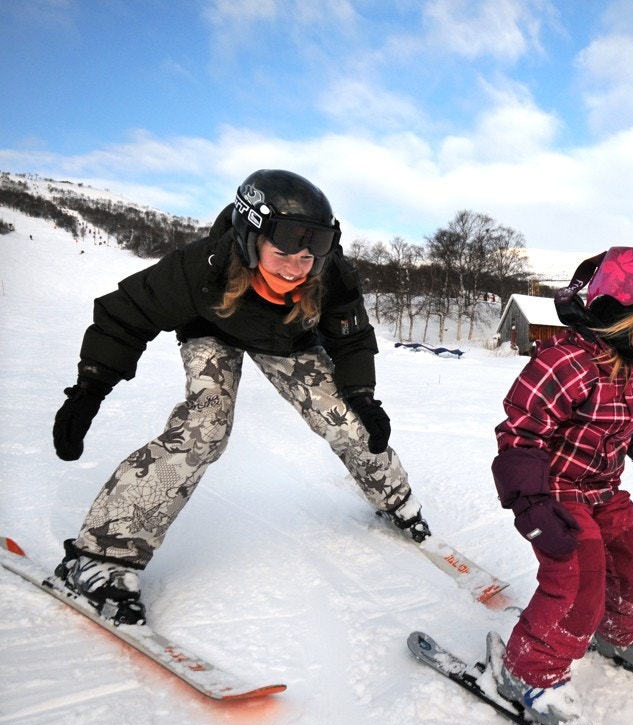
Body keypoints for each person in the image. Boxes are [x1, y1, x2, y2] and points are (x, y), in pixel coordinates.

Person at [51, 169, 430, 625]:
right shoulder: (201, 267)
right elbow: (125, 314)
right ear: (251, 240)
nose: (296, 268)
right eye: (283, 253)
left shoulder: (332, 277)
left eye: (309, 256)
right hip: (215, 332)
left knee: (350, 421)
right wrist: (90, 388)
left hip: (291, 340)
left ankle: (396, 500)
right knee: (203, 429)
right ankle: (100, 558)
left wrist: (363, 395)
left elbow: (350, 341)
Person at [487, 246, 633, 725]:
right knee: (578, 584)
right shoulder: (565, 363)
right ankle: (527, 671)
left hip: (603, 489)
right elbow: (520, 435)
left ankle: (622, 635)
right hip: (556, 491)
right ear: (617, 316)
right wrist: (531, 505)